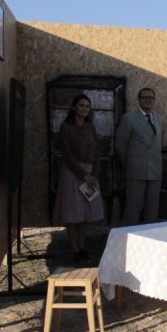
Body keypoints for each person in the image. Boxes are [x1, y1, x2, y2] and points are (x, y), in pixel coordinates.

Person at [54, 93, 104, 263]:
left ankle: (82, 248)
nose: (84, 109)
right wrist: (83, 175)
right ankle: (74, 249)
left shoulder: (90, 127)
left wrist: (94, 174)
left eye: (87, 106)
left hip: (90, 175)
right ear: (74, 107)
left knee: (85, 214)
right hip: (73, 173)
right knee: (72, 213)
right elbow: (67, 154)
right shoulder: (66, 127)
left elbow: (97, 152)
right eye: (81, 105)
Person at [115, 88, 163, 225]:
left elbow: (159, 144)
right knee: (133, 209)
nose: (148, 100)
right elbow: (120, 145)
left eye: (151, 97)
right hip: (135, 172)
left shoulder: (159, 119)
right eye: (144, 97)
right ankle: (130, 236)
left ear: (154, 100)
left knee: (152, 210)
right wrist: (130, 164)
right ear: (139, 100)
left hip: (155, 171)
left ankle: (150, 236)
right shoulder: (129, 118)